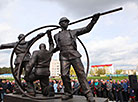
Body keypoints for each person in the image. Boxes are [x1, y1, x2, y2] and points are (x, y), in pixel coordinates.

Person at [53, 13, 100, 102]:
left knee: (81, 74)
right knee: (64, 75)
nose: (65, 23)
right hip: (63, 56)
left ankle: (88, 94)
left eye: (67, 22)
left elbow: (86, 29)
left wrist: (93, 21)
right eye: (64, 22)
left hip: (74, 54)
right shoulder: (56, 35)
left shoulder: (73, 32)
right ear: (60, 24)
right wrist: (50, 50)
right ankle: (68, 93)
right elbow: (57, 47)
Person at [24, 30, 55, 96]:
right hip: (46, 72)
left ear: (39, 47)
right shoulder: (49, 53)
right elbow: (52, 45)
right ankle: (49, 90)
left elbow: (30, 64)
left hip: (38, 72)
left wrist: (26, 73)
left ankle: (31, 92)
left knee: (28, 79)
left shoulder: (36, 52)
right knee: (44, 88)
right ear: (45, 47)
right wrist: (49, 36)